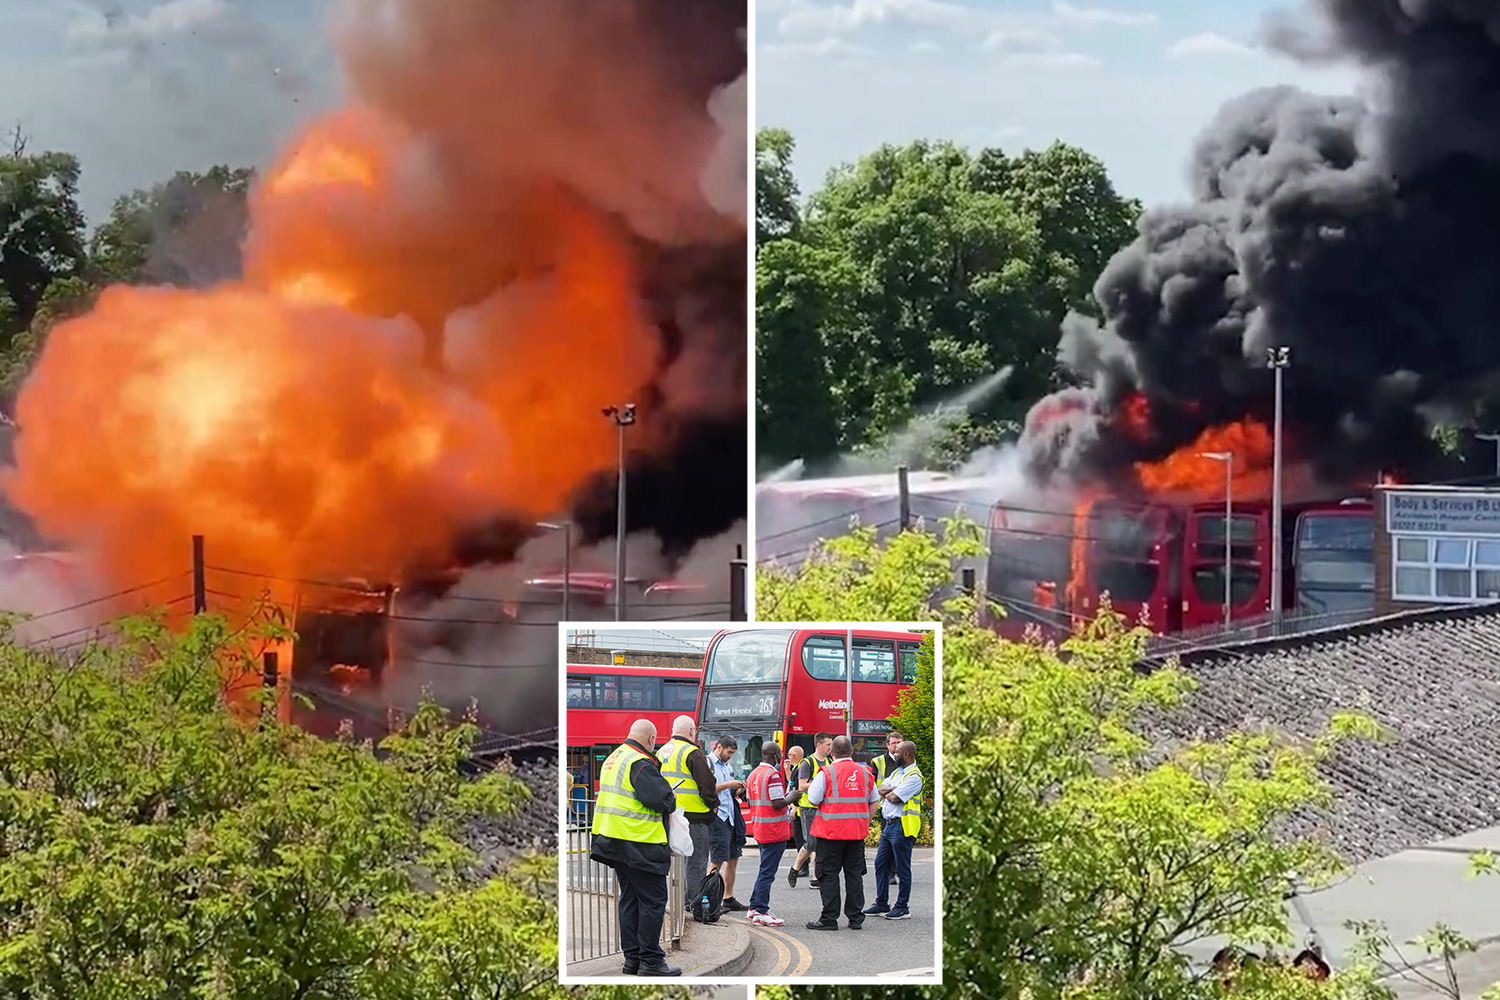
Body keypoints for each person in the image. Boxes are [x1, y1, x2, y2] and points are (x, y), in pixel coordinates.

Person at [588, 718, 680, 976]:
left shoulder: (614, 757)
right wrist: (669, 797)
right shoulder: (640, 762)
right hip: (640, 843)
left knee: (630, 900)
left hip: (614, 841)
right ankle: (651, 961)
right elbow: (661, 799)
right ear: (651, 740)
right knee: (653, 901)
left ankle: (633, 960)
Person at [804, 734, 879, 930]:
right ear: (852, 751)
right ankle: (855, 918)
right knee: (854, 875)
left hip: (830, 834)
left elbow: (813, 799)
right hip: (856, 834)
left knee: (829, 875)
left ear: (832, 752)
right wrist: (864, 821)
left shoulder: (826, 772)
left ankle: (829, 918)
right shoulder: (865, 773)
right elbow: (874, 800)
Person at [657, 715, 727, 915]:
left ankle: (684, 901)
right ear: (691, 731)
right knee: (696, 861)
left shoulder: (662, 752)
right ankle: (695, 904)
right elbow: (707, 785)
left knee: (677, 860)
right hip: (694, 816)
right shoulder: (693, 753)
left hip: (671, 813)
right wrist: (714, 805)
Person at [864, 739, 923, 919]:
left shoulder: (914, 776)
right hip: (889, 826)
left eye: (897, 752)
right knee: (880, 863)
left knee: (902, 868)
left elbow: (895, 797)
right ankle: (881, 903)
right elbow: (880, 788)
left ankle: (902, 906)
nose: (894, 754)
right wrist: (891, 790)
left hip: (903, 826)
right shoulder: (898, 772)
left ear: (906, 754)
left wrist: (891, 791)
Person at [743, 742, 794, 926]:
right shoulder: (772, 775)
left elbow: (750, 800)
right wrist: (792, 797)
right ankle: (762, 911)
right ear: (776, 755)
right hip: (774, 830)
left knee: (764, 870)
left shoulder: (754, 774)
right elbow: (778, 802)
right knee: (767, 873)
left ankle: (753, 908)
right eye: (780, 754)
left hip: (760, 828)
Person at [707, 734, 748, 912]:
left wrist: (738, 789)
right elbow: (707, 788)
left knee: (733, 858)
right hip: (717, 818)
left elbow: (727, 793)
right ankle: (708, 900)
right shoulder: (708, 763)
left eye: (732, 753)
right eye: (729, 752)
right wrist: (729, 784)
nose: (730, 756)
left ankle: (728, 898)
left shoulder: (727, 765)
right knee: (717, 860)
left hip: (730, 816)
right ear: (718, 746)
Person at [787, 732, 832, 889]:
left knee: (821, 842)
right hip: (809, 808)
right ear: (818, 745)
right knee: (811, 842)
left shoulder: (829, 761)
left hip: (824, 807)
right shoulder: (807, 763)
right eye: (828, 745)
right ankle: (795, 868)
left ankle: (816, 878)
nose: (830, 748)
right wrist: (819, 783)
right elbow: (802, 786)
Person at [868, 731, 903, 885]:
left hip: (903, 807)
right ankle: (889, 872)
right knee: (888, 841)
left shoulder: (905, 760)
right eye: (894, 743)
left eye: (899, 742)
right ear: (888, 745)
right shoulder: (878, 761)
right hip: (885, 806)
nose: (896, 745)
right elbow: (872, 785)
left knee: (899, 842)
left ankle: (894, 871)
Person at [782, 745, 805, 861]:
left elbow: (796, 788)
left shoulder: (801, 767)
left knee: (799, 837)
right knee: (798, 836)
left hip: (798, 807)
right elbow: (792, 782)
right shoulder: (797, 767)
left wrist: (795, 807)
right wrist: (787, 770)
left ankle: (803, 865)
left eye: (789, 755)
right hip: (797, 806)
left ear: (793, 756)